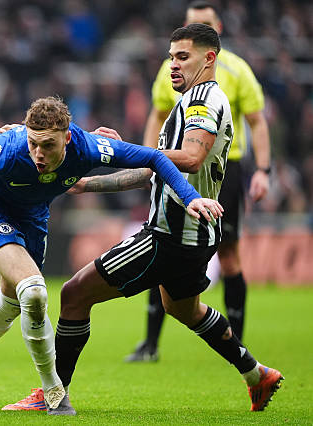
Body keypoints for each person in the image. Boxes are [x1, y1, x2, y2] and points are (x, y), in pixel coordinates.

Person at [6, 24, 282, 413]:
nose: (173, 65)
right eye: (171, 57)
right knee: (184, 309)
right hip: (194, 234)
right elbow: (153, 168)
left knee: (73, 294)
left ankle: (53, 394)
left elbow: (190, 157)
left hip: (170, 234)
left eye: (182, 57)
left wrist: (120, 148)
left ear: (209, 58)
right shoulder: (189, 103)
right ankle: (257, 374)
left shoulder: (204, 102)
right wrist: (90, 184)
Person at [0, 95, 222, 415]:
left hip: (34, 218)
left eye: (48, 145)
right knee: (34, 291)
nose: (38, 153)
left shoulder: (89, 147)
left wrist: (190, 197)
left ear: (67, 137)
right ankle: (54, 391)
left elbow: (155, 158)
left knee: (12, 299)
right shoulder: (4, 152)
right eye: (33, 143)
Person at [126, 0, 271, 363]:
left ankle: (235, 341)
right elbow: (157, 115)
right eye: (191, 23)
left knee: (227, 253)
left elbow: (256, 121)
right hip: (174, 163)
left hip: (225, 167)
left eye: (204, 24)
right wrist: (148, 161)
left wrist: (263, 170)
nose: (176, 60)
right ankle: (151, 344)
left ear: (216, 30)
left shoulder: (235, 71)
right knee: (161, 236)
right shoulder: (169, 70)